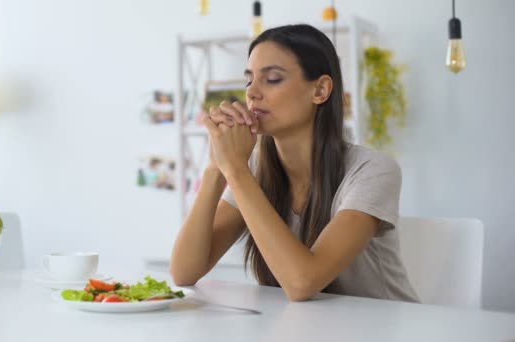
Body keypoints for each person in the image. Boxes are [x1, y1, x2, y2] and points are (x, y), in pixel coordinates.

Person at [170, 24, 419, 302]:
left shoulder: (372, 170)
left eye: (272, 79)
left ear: (320, 90)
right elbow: (184, 272)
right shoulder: (252, 170)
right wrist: (217, 168)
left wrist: (236, 170)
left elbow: (303, 283)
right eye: (249, 80)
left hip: (387, 327)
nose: (251, 93)